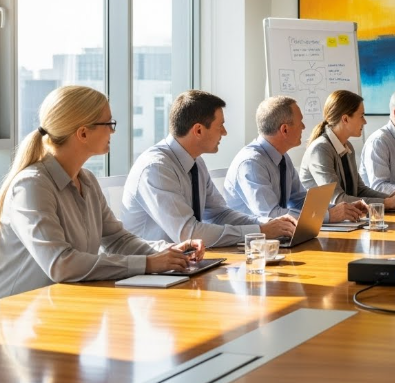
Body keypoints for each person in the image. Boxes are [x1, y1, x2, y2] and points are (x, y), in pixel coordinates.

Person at [0, 86, 204, 298]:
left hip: (64, 307)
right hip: (19, 317)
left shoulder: (86, 180)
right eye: (108, 124)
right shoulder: (31, 186)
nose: (113, 131)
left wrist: (169, 251)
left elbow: (118, 240)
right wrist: (148, 264)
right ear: (83, 133)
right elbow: (61, 263)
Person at [122, 90, 296, 247]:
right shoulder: (156, 169)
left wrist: (265, 225)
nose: (225, 132)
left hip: (184, 264)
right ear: (198, 130)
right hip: (153, 272)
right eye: (220, 125)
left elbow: (219, 214)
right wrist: (260, 231)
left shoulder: (196, 162)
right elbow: (189, 234)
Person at [224, 96, 365, 223]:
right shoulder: (251, 163)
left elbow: (299, 200)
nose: (303, 127)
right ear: (284, 130)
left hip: (279, 237)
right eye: (300, 122)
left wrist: (342, 209)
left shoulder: (282, 157)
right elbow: (272, 215)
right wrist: (328, 215)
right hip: (251, 245)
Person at [299, 90, 395, 209]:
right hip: (323, 223)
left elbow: (359, 190)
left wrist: (389, 197)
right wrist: (387, 203)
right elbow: (337, 199)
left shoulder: (347, 147)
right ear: (345, 119)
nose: (365, 121)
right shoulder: (320, 150)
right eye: (361, 116)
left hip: (346, 221)